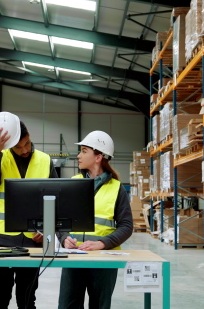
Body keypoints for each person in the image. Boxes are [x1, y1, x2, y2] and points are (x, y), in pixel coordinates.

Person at [0, 118, 59, 309]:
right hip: (1, 240)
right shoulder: (0, 157)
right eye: (18, 147)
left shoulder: (45, 160)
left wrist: (46, 228)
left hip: (33, 240)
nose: (24, 150)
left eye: (27, 143)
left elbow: (55, 200)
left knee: (27, 297)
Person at [58, 130, 133, 309]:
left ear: (98, 157)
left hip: (104, 259)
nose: (78, 155)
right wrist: (64, 238)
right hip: (74, 256)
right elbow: (60, 220)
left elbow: (126, 226)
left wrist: (102, 243)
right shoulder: (73, 182)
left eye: (84, 151)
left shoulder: (117, 188)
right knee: (68, 305)